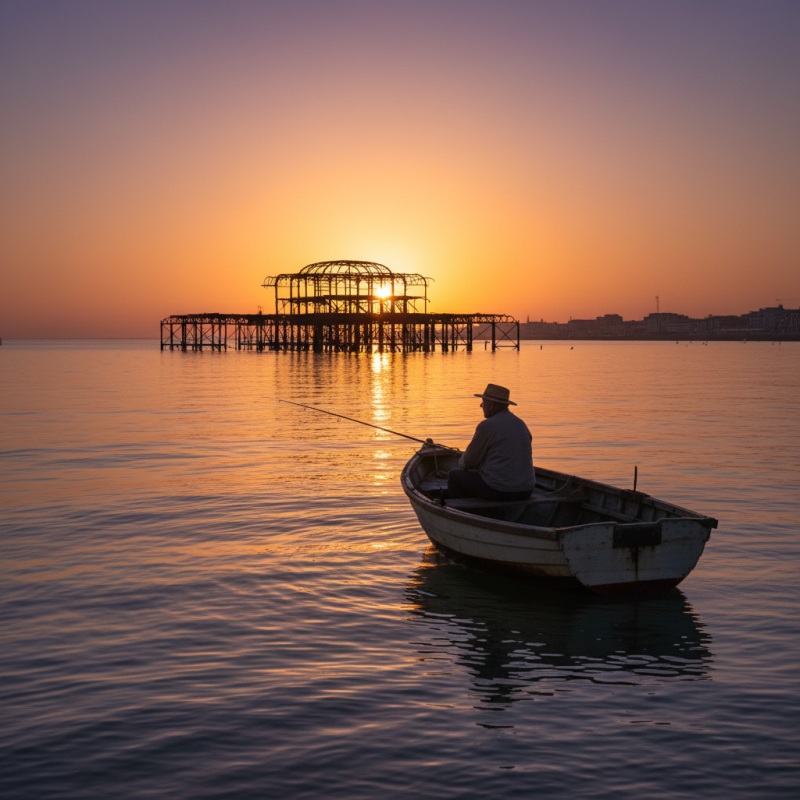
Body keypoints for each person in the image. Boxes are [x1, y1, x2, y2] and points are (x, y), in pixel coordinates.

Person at [447, 383, 535, 500]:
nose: (481, 405)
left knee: (454, 476)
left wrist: (461, 463)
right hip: (526, 490)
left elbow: (469, 462)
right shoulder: (521, 424)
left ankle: (462, 511)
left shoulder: (487, 426)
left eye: (483, 402)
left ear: (492, 405)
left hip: (500, 490)